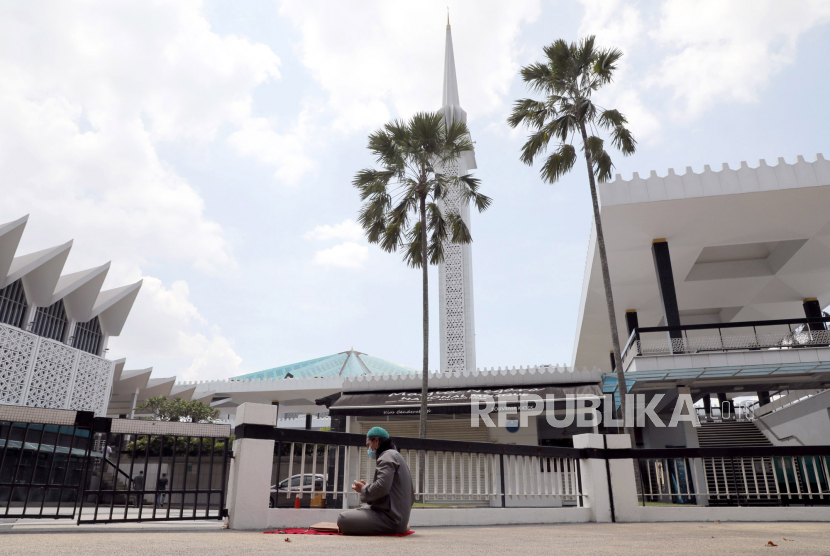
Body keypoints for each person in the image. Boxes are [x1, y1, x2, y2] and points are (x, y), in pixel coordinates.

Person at [337, 427, 415, 535]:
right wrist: (369, 487)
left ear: (376, 441)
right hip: (397, 516)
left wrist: (363, 489)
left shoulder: (387, 456)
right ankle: (402, 525)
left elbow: (382, 488)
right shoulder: (395, 455)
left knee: (343, 518)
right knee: (362, 509)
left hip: (390, 519)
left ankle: (398, 527)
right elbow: (388, 488)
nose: (369, 449)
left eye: (369, 445)